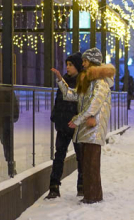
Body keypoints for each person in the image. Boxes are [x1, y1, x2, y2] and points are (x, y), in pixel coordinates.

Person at [53, 48, 114, 204]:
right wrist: (61, 80)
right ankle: (90, 194)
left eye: (86, 61)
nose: (83, 64)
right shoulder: (89, 82)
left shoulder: (100, 82)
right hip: (87, 129)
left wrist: (77, 120)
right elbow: (71, 95)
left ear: (92, 62)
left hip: (93, 129)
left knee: (91, 163)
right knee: (87, 163)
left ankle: (93, 195)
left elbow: (94, 105)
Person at [46, 52, 84, 199]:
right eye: (67, 64)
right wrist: (56, 117)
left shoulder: (82, 82)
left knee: (80, 157)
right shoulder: (64, 80)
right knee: (59, 156)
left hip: (76, 125)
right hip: (63, 125)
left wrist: (77, 120)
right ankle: (54, 186)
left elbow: (76, 101)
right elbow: (59, 101)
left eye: (71, 65)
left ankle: (81, 186)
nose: (68, 67)